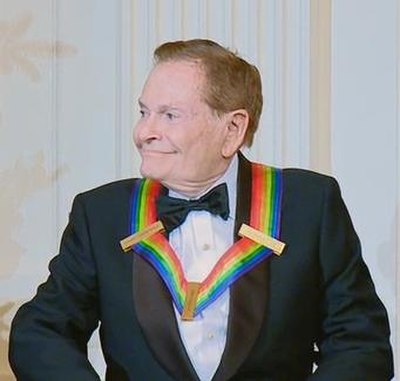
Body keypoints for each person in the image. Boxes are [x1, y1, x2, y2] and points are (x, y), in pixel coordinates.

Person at [9, 39, 393, 381]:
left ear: (232, 130)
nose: (144, 132)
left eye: (170, 115)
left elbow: (362, 345)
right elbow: (39, 333)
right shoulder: (101, 213)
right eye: (144, 112)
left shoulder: (310, 203)